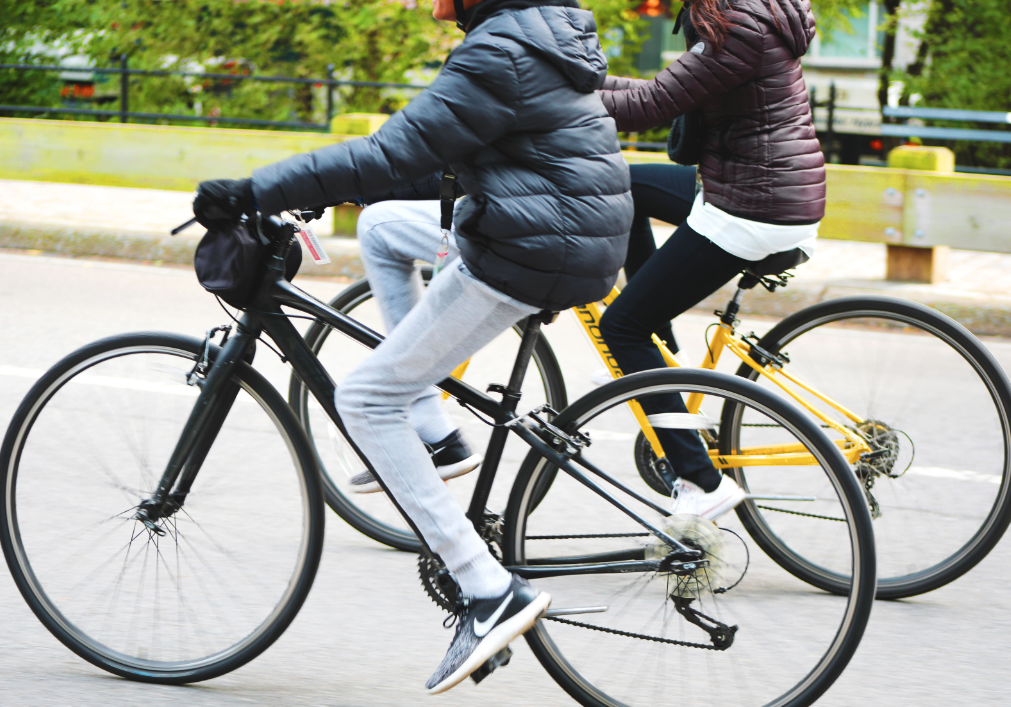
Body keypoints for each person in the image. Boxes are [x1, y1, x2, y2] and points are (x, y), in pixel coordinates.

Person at [192, 0, 632, 693]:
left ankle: (488, 591)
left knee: (365, 397)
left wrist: (254, 190)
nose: (428, 3)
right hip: (555, 225)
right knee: (385, 230)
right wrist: (331, 189)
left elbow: (390, 150)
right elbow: (433, 155)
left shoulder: (496, 54)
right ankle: (430, 424)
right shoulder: (533, 40)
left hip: (532, 246)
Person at [596, 0, 826, 520]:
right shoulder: (742, 14)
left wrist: (543, 92)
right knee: (624, 184)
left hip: (753, 205)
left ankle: (700, 480)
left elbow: (651, 105)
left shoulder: (736, 26)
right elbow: (664, 89)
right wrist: (575, 80)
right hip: (754, 188)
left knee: (622, 327)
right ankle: (661, 354)